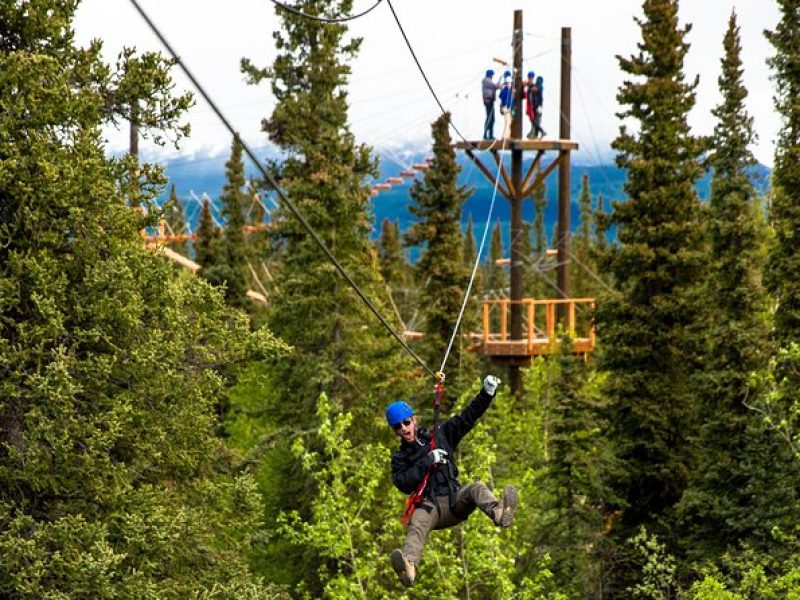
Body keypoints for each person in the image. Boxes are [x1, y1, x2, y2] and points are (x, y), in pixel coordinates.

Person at [386, 375, 518, 588]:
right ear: (395, 431)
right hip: (430, 509)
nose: (403, 428)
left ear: (414, 419)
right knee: (416, 523)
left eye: (406, 422)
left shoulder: (440, 436)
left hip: (454, 501)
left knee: (476, 488)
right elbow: (403, 483)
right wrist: (428, 460)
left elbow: (467, 417)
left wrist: (487, 393)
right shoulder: (400, 458)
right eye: (398, 427)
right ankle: (409, 567)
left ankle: (499, 514)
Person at [481, 69, 500, 140]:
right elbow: (495, 86)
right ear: (490, 75)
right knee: (490, 118)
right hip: (488, 101)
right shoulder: (486, 81)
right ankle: (486, 134)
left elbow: (494, 87)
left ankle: (490, 135)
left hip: (490, 101)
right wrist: (500, 81)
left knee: (492, 118)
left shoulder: (487, 81)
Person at [498, 70, 514, 140]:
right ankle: (506, 137)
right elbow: (503, 97)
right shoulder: (507, 89)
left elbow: (500, 96)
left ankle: (505, 136)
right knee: (508, 122)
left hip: (506, 106)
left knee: (507, 122)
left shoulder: (504, 88)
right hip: (507, 107)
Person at [524, 70, 537, 139]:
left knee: (532, 118)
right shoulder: (528, 85)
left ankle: (533, 132)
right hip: (528, 104)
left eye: (531, 78)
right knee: (530, 118)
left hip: (532, 104)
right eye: (529, 77)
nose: (530, 79)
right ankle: (532, 132)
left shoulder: (533, 86)